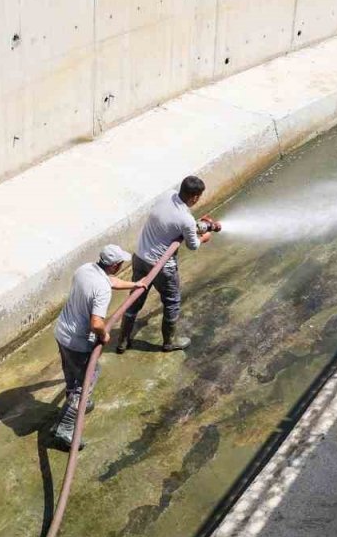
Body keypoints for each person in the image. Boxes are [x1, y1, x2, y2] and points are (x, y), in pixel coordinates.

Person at [51, 245, 145, 451]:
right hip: (78, 341)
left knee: (71, 371)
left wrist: (136, 284)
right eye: (120, 263)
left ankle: (73, 404)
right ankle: (64, 429)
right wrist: (104, 334)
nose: (121, 266)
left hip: (62, 332)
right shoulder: (101, 289)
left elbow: (110, 281)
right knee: (87, 379)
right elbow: (96, 323)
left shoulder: (85, 269)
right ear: (114, 265)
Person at [118, 175, 221, 354]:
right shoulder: (186, 220)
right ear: (195, 197)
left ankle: (122, 342)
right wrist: (205, 236)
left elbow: (172, 224)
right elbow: (192, 245)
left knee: (135, 299)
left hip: (140, 257)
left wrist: (198, 226)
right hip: (162, 267)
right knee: (172, 302)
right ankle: (168, 343)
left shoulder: (167, 195)